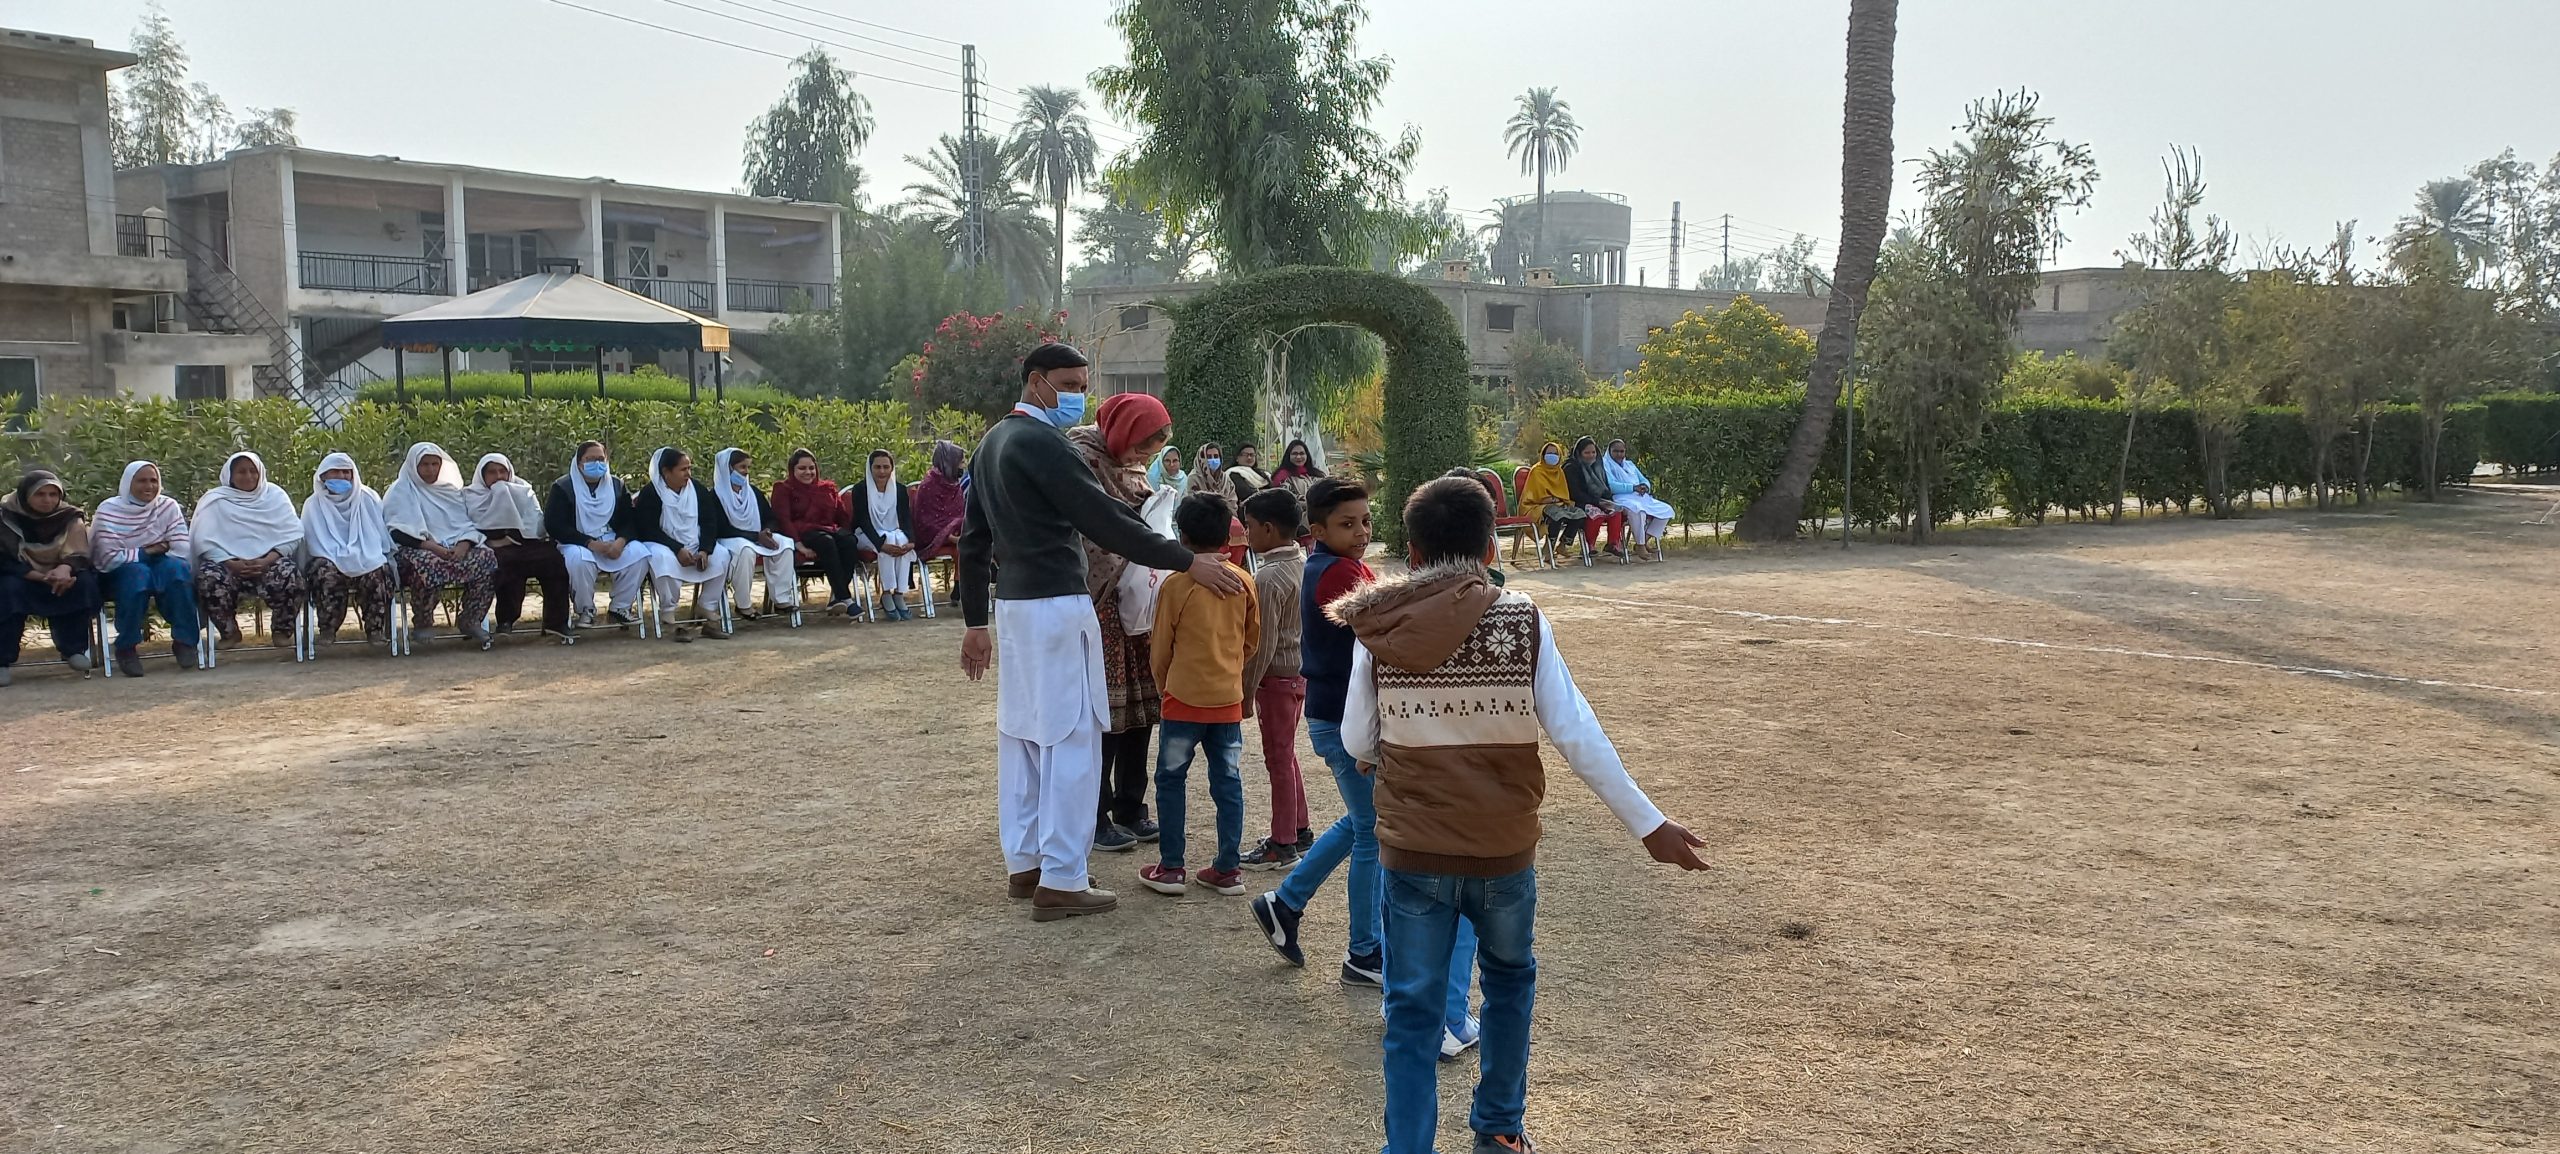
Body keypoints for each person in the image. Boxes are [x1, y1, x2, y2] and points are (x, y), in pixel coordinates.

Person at [1333, 475, 1711, 1154]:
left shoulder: (1379, 626)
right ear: (1488, 547)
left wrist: (1390, 746)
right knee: (1508, 983)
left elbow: (1358, 740)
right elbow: (1576, 732)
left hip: (1414, 852)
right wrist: (1648, 825)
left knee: (1411, 1008)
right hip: (1502, 852)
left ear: (1412, 552)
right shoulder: (1521, 619)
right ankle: (1500, 1129)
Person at [957, 341, 1239, 922]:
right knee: (1071, 738)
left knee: (1024, 737)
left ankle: (1027, 863)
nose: (1078, 396)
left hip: (1015, 607)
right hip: (1059, 604)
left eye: (1084, 385)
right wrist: (1187, 560)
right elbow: (1104, 519)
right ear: (1035, 380)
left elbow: (974, 538)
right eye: (1068, 384)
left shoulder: (993, 441)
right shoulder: (1044, 443)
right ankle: (1062, 876)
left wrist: (975, 622)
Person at [1247, 477, 1482, 1058]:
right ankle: (1362, 950)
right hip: (1344, 721)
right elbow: (1390, 628)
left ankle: (1287, 903)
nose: (1360, 532)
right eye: (1346, 524)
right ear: (1317, 530)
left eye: (1366, 521)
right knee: (1374, 835)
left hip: (1336, 715)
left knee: (1362, 824)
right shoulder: (1337, 574)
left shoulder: (1331, 566)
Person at [1068, 392, 1177, 854]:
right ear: (1120, 431)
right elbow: (1088, 529)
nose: (1140, 459)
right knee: (1105, 713)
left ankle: (1131, 806)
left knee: (1142, 710)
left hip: (1140, 602)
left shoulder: (1130, 469)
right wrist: (1137, 533)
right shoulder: (1080, 459)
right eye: (1138, 447)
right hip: (1099, 604)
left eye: (1149, 453)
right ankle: (1095, 815)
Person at [1136, 491, 1259, 899]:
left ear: (1182, 538)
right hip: (1227, 702)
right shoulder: (1243, 581)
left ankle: (1172, 866)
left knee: (1171, 780)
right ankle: (1228, 868)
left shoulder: (1176, 585)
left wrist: (1165, 686)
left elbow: (1160, 648)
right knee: (1228, 783)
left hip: (1182, 703)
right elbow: (1252, 639)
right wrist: (1230, 669)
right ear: (1227, 536)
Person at [1237, 486, 1311, 868]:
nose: (1247, 534)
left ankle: (1282, 843)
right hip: (1297, 673)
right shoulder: (1301, 561)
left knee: (1278, 759)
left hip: (1276, 678)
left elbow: (1262, 644)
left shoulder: (1267, 578)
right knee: (1286, 754)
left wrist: (1246, 691)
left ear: (1267, 528)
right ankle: (1299, 827)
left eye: (1249, 526)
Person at [382, 442, 499, 649]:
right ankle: (423, 622)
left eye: (435, 464)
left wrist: (463, 545)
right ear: (414, 465)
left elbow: (466, 524)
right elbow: (398, 532)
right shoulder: (400, 491)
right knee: (428, 563)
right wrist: (433, 548)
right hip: (416, 549)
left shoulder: (450, 491)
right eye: (425, 464)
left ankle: (471, 619)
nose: (430, 469)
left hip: (453, 548)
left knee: (486, 557)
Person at [191, 451, 307, 656]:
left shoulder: (275, 496)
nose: (248, 476)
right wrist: (231, 563)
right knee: (208, 578)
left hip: (268, 563)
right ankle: (229, 632)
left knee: (290, 575)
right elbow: (203, 541)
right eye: (241, 472)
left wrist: (266, 560)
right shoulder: (215, 500)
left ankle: (282, 630)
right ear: (230, 475)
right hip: (228, 565)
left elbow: (292, 535)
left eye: (253, 471)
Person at [91, 460, 199, 676]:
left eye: (153, 480)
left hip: (160, 563)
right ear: (128, 483)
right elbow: (109, 557)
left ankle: (185, 641)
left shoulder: (167, 506)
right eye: (141, 481)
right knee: (138, 575)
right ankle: (126, 647)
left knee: (177, 571)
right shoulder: (109, 510)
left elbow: (180, 547)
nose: (149, 486)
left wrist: (143, 553)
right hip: (119, 572)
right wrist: (146, 551)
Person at [0, 470, 101, 681]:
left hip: (61, 575)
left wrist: (65, 568)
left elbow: (80, 553)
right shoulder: (5, 516)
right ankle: (2, 660)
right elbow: (4, 559)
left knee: (83, 583)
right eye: (40, 494)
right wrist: (39, 576)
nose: (47, 500)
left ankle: (73, 650)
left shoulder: (70, 517)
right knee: (8, 589)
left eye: (53, 494)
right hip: (22, 576)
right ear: (25, 495)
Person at [631, 446, 734, 641]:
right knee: (660, 558)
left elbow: (709, 522)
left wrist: (704, 550)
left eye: (689, 469)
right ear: (666, 472)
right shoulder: (652, 493)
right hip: (664, 544)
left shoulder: (697, 490)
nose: (688, 474)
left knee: (721, 555)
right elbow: (648, 529)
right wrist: (677, 549)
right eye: (683, 469)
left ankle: (707, 607)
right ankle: (669, 614)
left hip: (695, 544)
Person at [466, 453, 572, 638]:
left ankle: (555, 623)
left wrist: (514, 537)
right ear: (482, 475)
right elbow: (468, 527)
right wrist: (497, 540)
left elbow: (536, 524)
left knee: (554, 560)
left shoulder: (523, 490)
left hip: (527, 542)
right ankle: (505, 622)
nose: (499, 477)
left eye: (502, 471)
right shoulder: (471, 495)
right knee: (505, 562)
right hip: (491, 546)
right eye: (492, 472)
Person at [547, 441, 648, 629]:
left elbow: (629, 520)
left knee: (639, 553)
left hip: (611, 540)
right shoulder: (563, 487)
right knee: (579, 560)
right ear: (579, 463)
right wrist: (590, 543)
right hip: (577, 541)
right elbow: (555, 525)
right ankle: (586, 611)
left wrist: (621, 542)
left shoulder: (616, 485)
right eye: (590, 459)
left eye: (601, 459)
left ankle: (620, 608)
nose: (597, 464)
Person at [300, 452, 397, 648]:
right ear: (323, 476)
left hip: (365, 552)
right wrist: (337, 557)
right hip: (327, 556)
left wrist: (362, 553)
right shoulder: (313, 504)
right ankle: (328, 629)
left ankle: (375, 630)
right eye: (336, 472)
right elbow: (312, 543)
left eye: (346, 472)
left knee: (376, 570)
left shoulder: (368, 498)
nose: (342, 476)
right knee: (325, 573)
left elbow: (379, 535)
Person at [709, 448, 798, 621]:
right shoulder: (715, 496)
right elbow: (721, 528)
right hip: (729, 540)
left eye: (748, 467)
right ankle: (743, 605)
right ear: (728, 469)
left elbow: (770, 518)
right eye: (742, 467)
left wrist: (768, 531)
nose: (746, 472)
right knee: (745, 550)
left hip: (757, 537)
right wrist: (756, 537)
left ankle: (781, 599)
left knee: (785, 544)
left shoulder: (753, 493)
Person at [772, 448, 864, 614]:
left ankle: (837, 597)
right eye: (802, 468)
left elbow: (841, 516)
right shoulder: (783, 489)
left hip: (829, 529)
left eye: (811, 468)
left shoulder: (827, 488)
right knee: (826, 542)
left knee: (849, 541)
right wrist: (799, 546)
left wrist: (846, 533)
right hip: (802, 533)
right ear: (792, 469)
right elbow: (783, 519)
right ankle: (845, 598)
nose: (808, 472)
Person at [847, 449, 919, 620]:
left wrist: (911, 541)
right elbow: (863, 521)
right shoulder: (860, 489)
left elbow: (905, 518)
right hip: (865, 535)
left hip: (893, 531)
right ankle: (886, 593)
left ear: (892, 468)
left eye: (886, 467)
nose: (882, 471)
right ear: (870, 468)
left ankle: (899, 593)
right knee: (888, 540)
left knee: (900, 539)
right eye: (877, 467)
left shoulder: (899, 490)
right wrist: (880, 545)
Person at [1605, 438, 1675, 561]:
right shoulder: (1605, 464)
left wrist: (1645, 486)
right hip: (1621, 498)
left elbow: (1643, 479)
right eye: (1615, 451)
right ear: (1609, 451)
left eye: (1622, 451)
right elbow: (1611, 486)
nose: (1619, 454)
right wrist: (1632, 487)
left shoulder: (1629, 464)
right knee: (1637, 510)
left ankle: (1644, 541)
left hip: (1640, 496)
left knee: (1666, 510)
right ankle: (1641, 544)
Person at [1517, 441, 1586, 565]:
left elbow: (1564, 494)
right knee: (1557, 515)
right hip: (1536, 506)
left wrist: (1557, 500)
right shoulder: (1537, 471)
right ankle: (1549, 547)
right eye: (1549, 453)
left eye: (1555, 453)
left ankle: (1563, 544)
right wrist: (1551, 499)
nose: (1552, 456)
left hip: (1558, 504)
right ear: (1543, 455)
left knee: (1579, 514)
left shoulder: (1559, 472)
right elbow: (1535, 495)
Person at [1565, 435, 1627, 562]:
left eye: (1593, 452)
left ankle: (1613, 544)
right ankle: (1589, 545)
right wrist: (1597, 502)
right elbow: (1575, 493)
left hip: (1598, 500)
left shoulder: (1598, 466)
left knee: (1616, 510)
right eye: (1587, 453)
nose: (1591, 456)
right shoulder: (1571, 467)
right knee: (1595, 512)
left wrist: (1607, 501)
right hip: (1579, 502)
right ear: (1579, 453)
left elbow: (1605, 487)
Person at [912, 440, 970, 561]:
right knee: (965, 549)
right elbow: (926, 524)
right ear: (950, 463)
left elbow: (959, 515)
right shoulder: (929, 485)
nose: (963, 466)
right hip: (932, 539)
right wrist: (951, 538)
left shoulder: (953, 484)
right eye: (961, 462)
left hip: (956, 534)